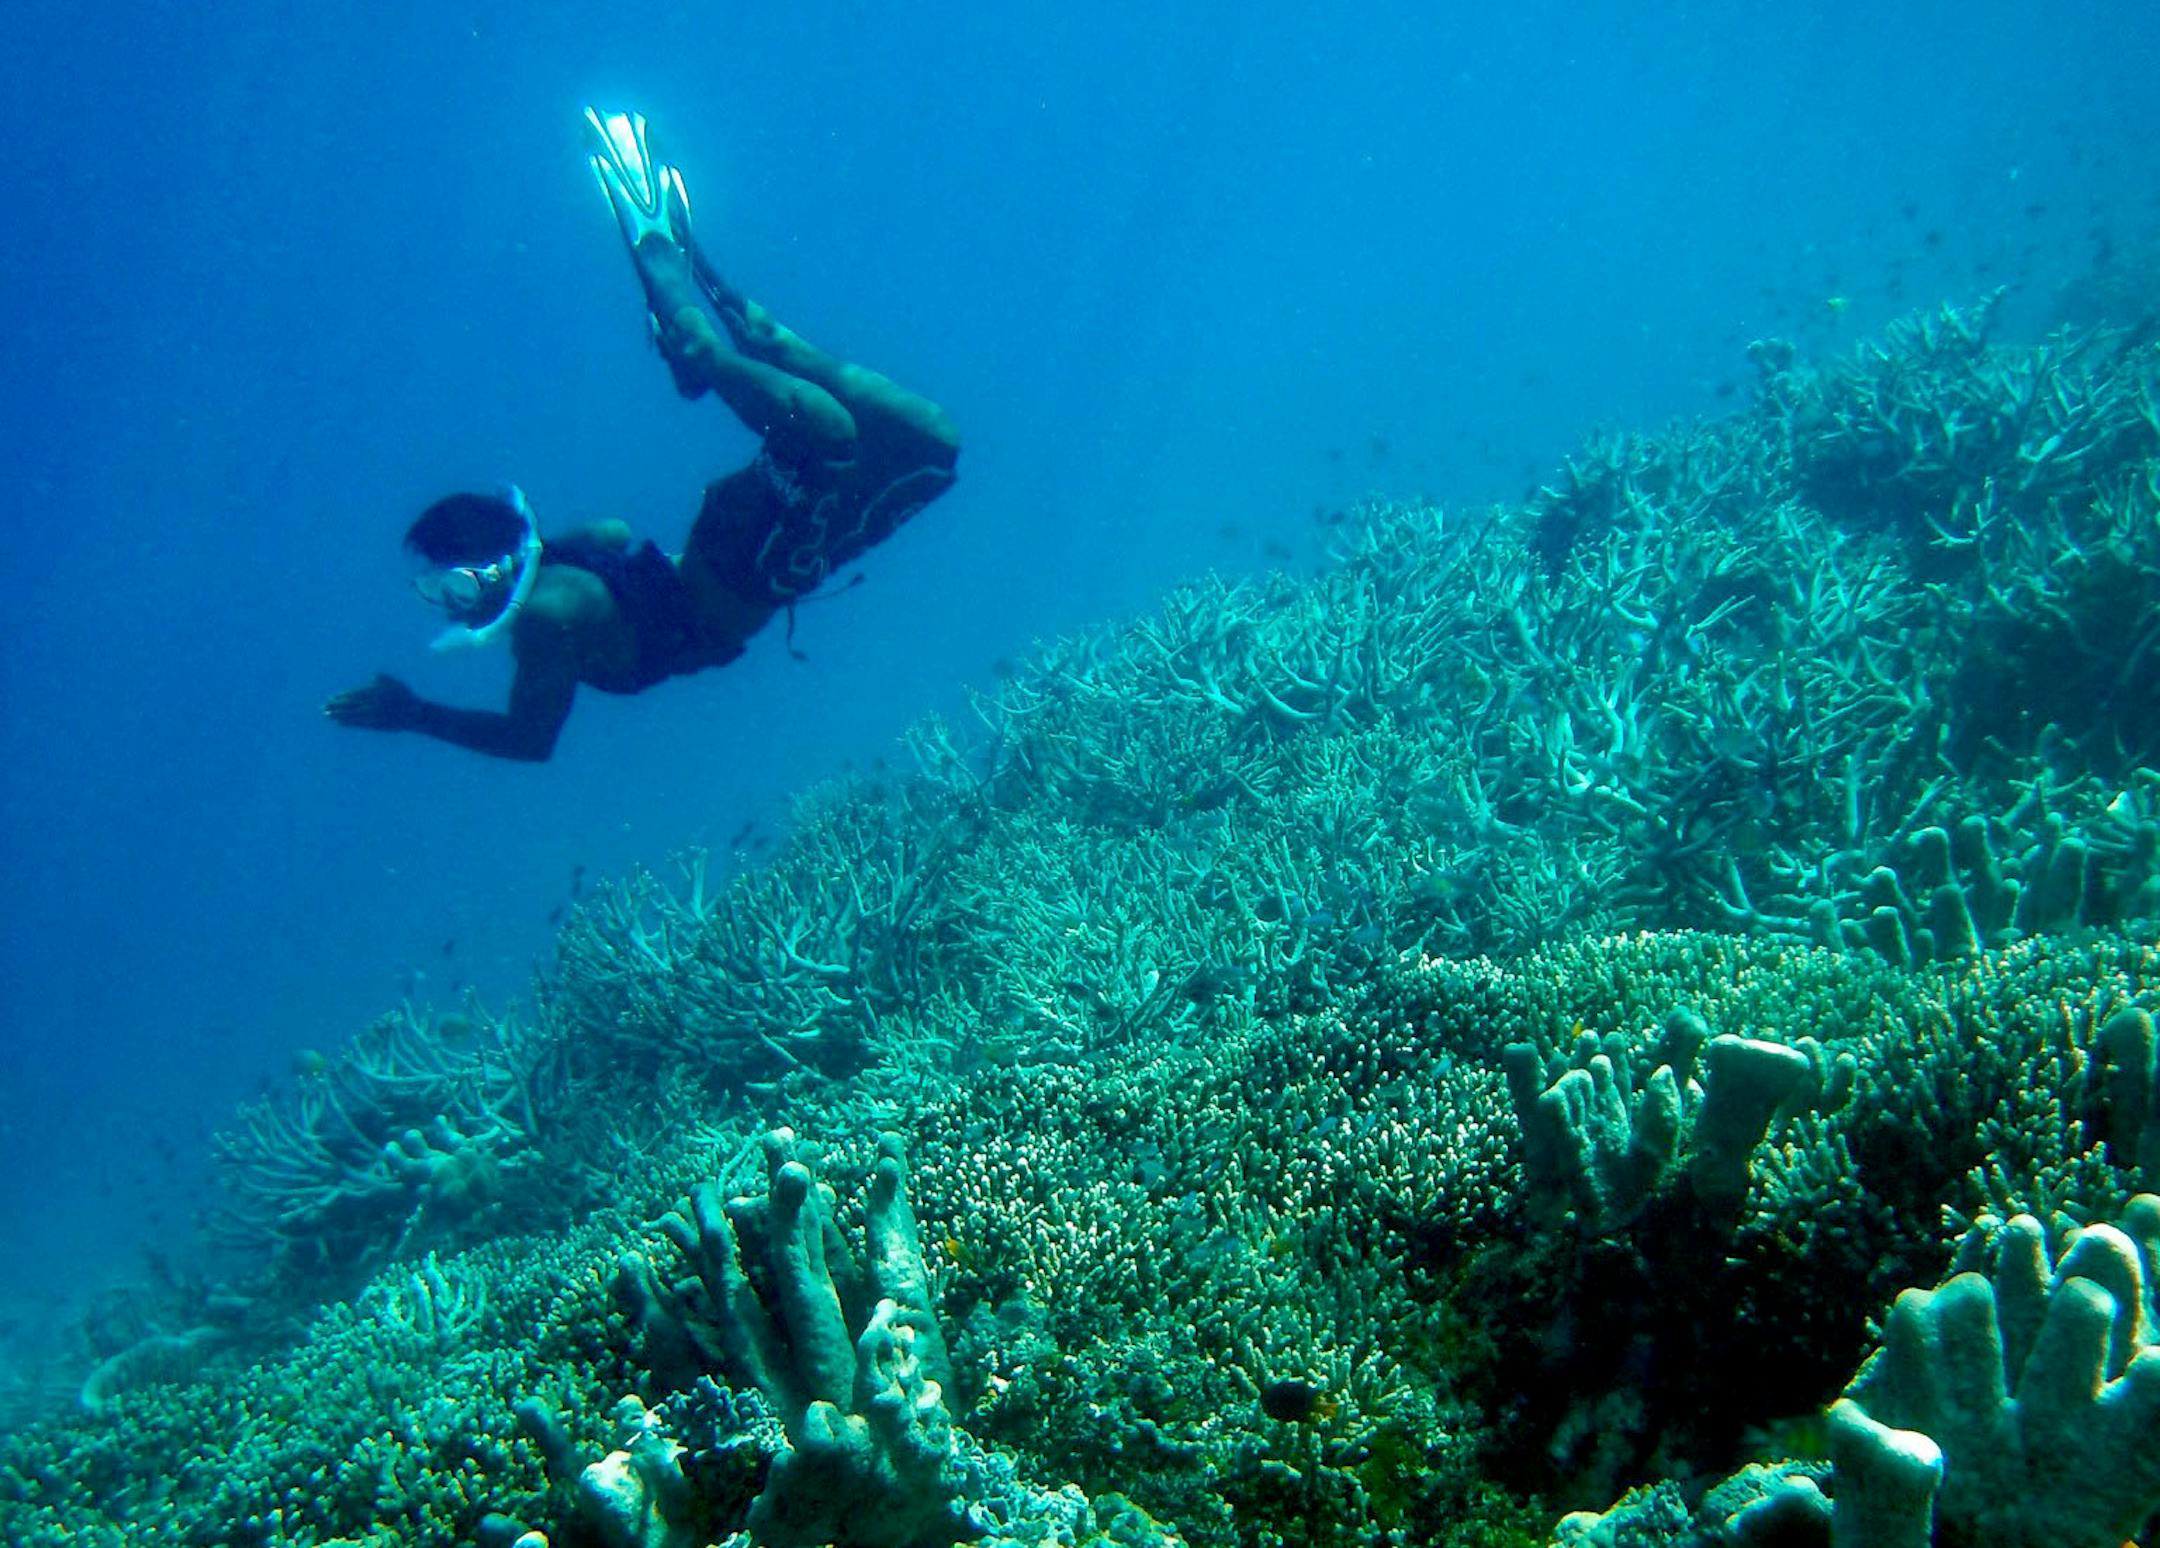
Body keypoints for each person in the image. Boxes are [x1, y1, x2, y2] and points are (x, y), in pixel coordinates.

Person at [325, 109, 959, 762]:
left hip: (750, 565)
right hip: (753, 548)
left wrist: (413, 714)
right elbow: (614, 535)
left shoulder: (545, 619)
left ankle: (690, 324)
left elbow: (530, 740)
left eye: (447, 588)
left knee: (828, 432)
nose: (450, 607)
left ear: (480, 573)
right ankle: (731, 325)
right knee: (931, 451)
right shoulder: (562, 555)